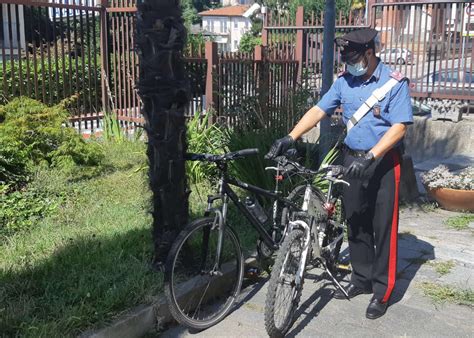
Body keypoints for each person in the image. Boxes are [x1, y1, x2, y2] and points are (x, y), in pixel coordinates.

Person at [265, 28, 413, 319]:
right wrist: (290, 137)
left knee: (383, 227)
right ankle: (361, 277)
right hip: (351, 159)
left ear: (370, 52)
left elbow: (399, 127)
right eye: (347, 59)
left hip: (383, 163)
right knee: (355, 220)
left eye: (354, 57)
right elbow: (319, 110)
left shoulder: (393, 83)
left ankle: (382, 292)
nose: (349, 64)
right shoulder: (345, 82)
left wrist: (372, 155)